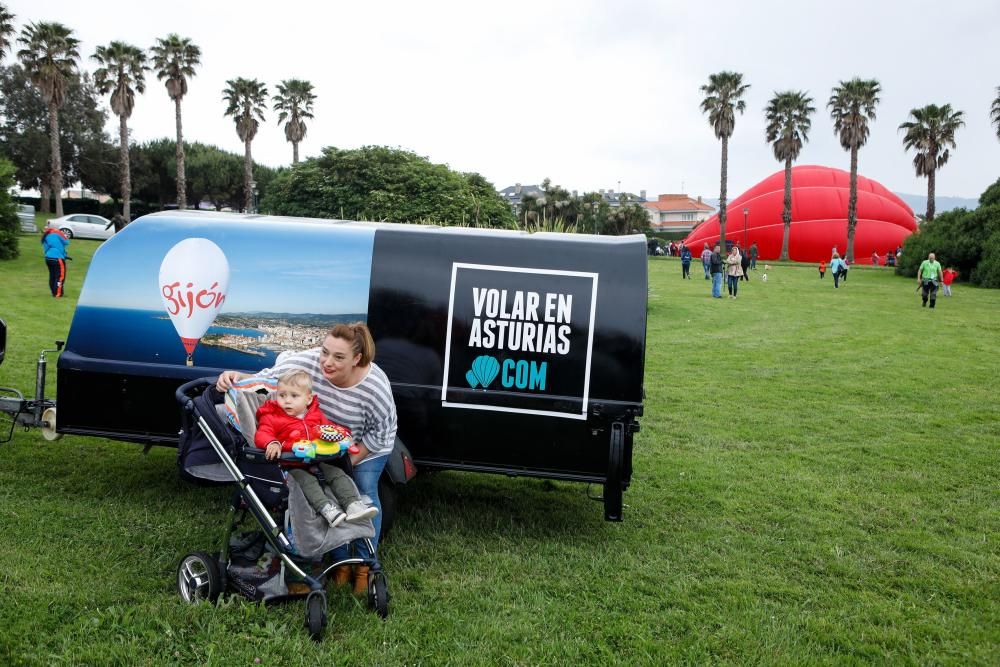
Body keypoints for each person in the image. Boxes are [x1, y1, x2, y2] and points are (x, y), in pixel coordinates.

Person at [217, 322, 397, 594]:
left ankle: (365, 565)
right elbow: (270, 379)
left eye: (338, 357)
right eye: (325, 352)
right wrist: (234, 377)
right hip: (317, 444)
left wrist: (347, 460)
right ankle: (339, 562)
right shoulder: (309, 363)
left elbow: (383, 433)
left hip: (364, 445)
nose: (327, 362)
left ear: (356, 359)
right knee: (326, 491)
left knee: (363, 491)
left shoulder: (375, 387)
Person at [254, 370, 378, 529]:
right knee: (307, 481)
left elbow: (329, 428)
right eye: (282, 395)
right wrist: (272, 443)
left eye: (294, 396)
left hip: (317, 460)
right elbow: (262, 433)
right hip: (290, 465)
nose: (287, 401)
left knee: (337, 474)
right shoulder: (272, 416)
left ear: (308, 399)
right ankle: (327, 510)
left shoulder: (315, 414)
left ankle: (353, 505)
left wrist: (343, 435)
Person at [41, 228, 70, 297]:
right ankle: (58, 294)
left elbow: (46, 249)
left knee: (53, 276)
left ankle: (54, 292)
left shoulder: (46, 236)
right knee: (60, 276)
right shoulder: (57, 232)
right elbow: (66, 242)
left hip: (48, 258)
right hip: (57, 258)